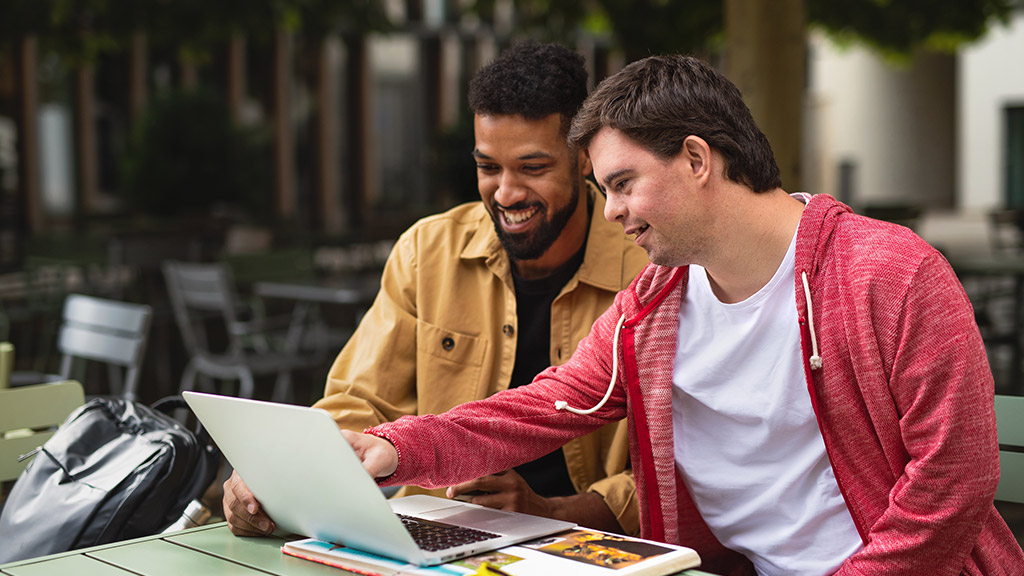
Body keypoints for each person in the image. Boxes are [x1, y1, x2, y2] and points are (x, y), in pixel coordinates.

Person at [344, 54, 1024, 575]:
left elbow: (953, 483)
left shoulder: (889, 273)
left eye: (622, 183)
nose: (608, 211)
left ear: (697, 158)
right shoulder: (657, 301)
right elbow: (545, 405)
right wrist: (399, 445)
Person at [222, 41, 648, 538]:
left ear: (584, 159)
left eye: (532, 169)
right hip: (422, 538)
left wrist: (552, 513)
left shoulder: (648, 269)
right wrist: (281, 476)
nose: (506, 193)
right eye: (488, 168)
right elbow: (357, 400)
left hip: (586, 550)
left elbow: (678, 469)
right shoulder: (428, 251)